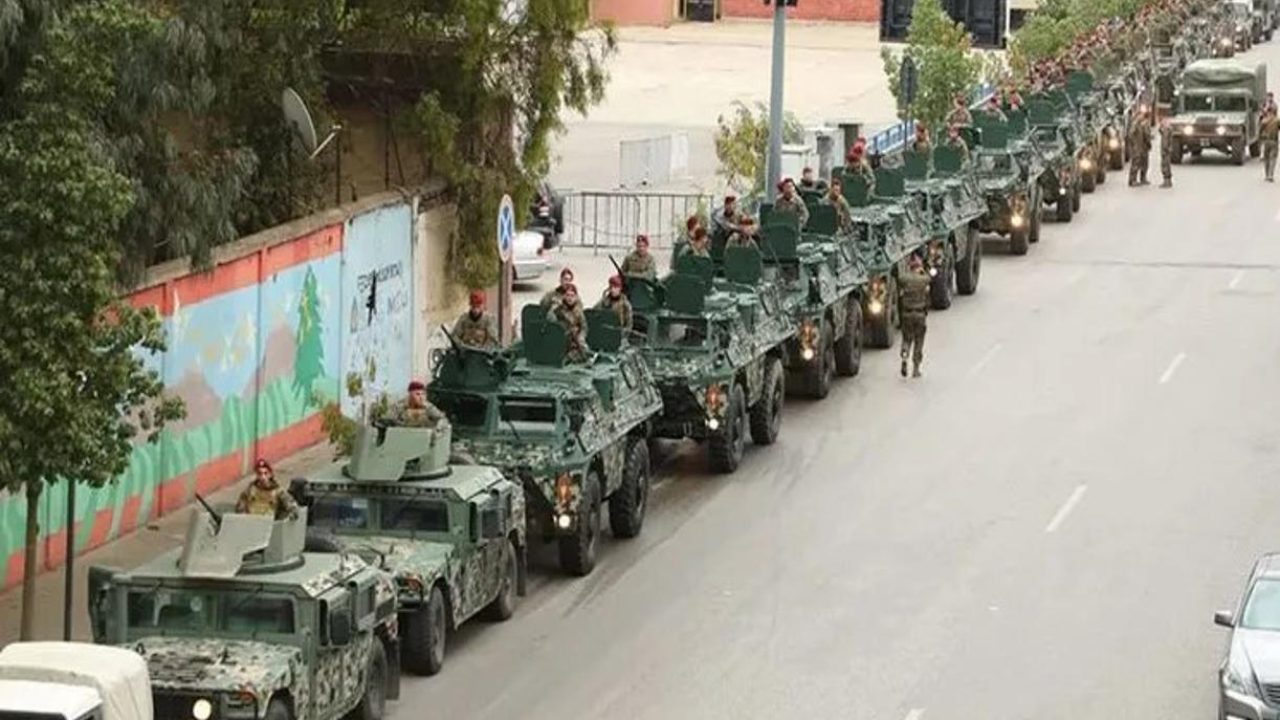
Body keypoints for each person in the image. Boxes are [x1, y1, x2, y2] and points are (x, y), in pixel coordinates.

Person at [897, 254, 931, 379]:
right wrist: (923, 271)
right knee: (919, 341)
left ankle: (905, 356)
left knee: (906, 339)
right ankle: (916, 369)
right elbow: (931, 276)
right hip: (920, 315)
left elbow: (900, 278)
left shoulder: (905, 279)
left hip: (906, 314)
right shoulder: (923, 280)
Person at [547, 283, 589, 361]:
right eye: (568, 295)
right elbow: (550, 323)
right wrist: (553, 311)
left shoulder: (578, 311)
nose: (570, 298)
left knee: (583, 352)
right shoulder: (558, 309)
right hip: (559, 339)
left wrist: (581, 337)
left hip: (574, 341)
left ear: (576, 297)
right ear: (564, 296)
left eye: (572, 296)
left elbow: (584, 327)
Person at [1128, 109, 1152, 186]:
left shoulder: (1142, 123)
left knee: (1144, 163)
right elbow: (1131, 134)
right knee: (1136, 163)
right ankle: (1133, 180)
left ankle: (1142, 178)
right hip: (1138, 147)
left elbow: (1147, 135)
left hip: (1142, 147)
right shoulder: (1137, 124)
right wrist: (1134, 144)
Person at [1262, 106, 1279, 182]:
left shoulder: (1264, 121)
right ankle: (1271, 175)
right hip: (1274, 141)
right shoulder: (1277, 120)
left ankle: (1266, 175)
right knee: (1273, 159)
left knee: (1266, 159)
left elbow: (1259, 131)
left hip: (1266, 142)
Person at [1158, 117, 1174, 188]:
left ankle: (1166, 182)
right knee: (1166, 165)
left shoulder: (1166, 130)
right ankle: (1168, 181)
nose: (1161, 123)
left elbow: (1165, 142)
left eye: (1163, 122)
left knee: (1165, 165)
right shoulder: (1167, 130)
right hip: (1167, 150)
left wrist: (1165, 150)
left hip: (1165, 151)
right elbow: (1160, 131)